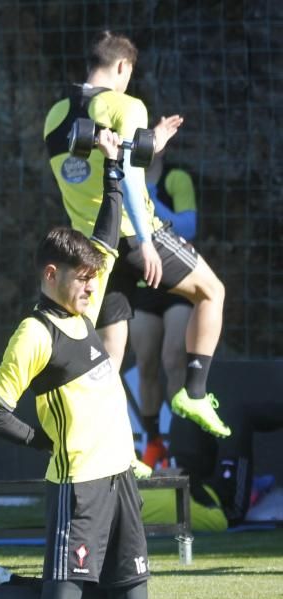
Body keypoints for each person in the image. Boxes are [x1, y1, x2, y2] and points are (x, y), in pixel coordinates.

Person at [0, 130, 151, 599]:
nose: (92, 286)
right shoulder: (35, 332)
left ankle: (9, 582)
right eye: (82, 278)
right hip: (79, 484)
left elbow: (106, 237)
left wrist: (113, 169)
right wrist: (40, 441)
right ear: (51, 275)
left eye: (94, 278)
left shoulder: (83, 311)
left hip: (120, 477)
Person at [43, 30, 230, 439]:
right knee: (212, 292)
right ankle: (194, 393)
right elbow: (126, 174)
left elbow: (95, 167)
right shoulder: (125, 104)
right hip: (132, 233)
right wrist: (146, 240)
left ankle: (117, 449)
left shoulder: (55, 116)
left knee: (112, 351)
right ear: (123, 66)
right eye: (130, 73)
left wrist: (151, 143)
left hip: (93, 249)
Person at [130, 149, 199, 467]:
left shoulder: (176, 179)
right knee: (145, 364)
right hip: (144, 282)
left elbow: (187, 227)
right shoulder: (127, 176)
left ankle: (182, 443)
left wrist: (145, 197)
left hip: (178, 280)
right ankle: (154, 442)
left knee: (174, 359)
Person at [141, 403, 283, 531]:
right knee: (239, 417)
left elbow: (145, 474)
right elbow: (219, 521)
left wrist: (160, 476)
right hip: (222, 505)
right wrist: (188, 481)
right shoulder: (134, 520)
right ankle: (248, 486)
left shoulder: (123, 487)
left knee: (185, 412)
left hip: (188, 481)